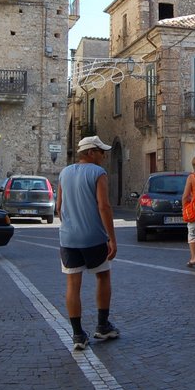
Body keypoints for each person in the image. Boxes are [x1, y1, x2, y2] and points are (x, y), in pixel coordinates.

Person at [55, 135, 119, 351]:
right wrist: (111, 237)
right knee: (103, 276)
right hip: (93, 238)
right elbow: (104, 207)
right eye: (101, 152)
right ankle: (102, 325)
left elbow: (58, 207)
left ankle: (77, 334)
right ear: (91, 152)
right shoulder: (98, 173)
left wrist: (70, 227)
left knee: (73, 284)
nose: (103, 156)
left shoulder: (64, 173)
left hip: (68, 239)